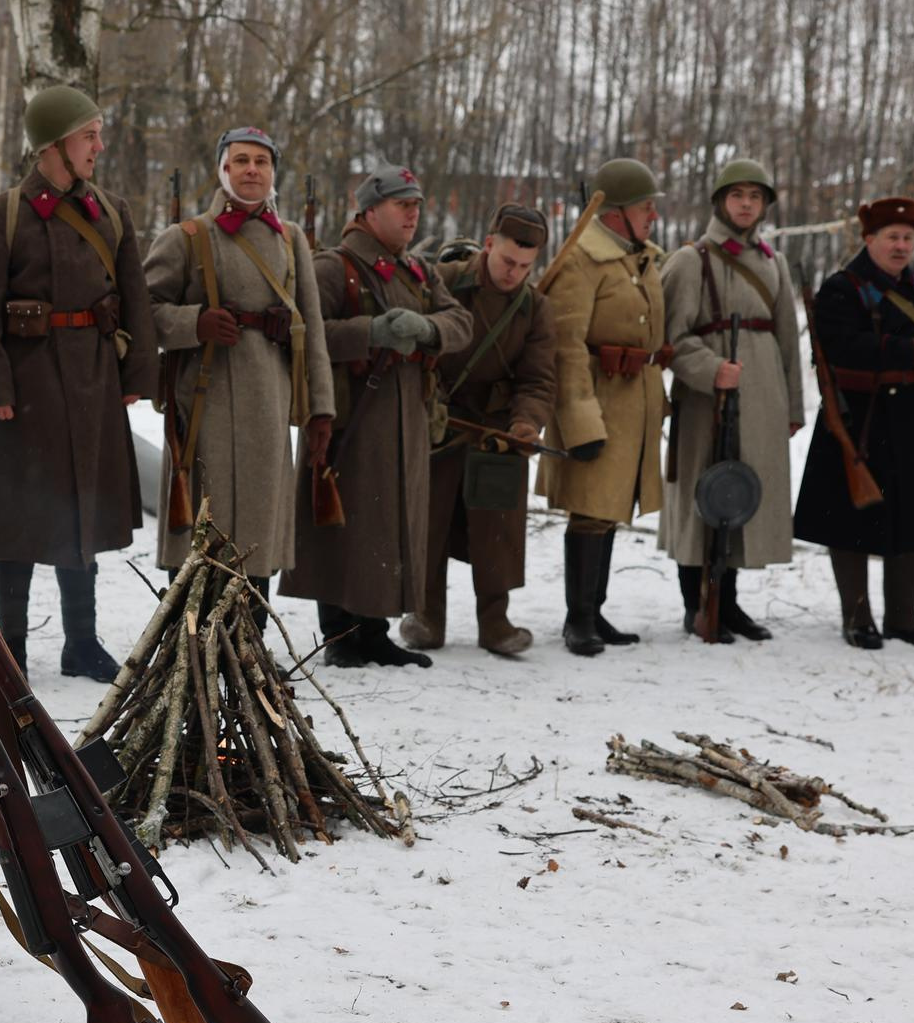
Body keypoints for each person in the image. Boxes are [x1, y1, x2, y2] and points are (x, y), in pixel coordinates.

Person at [0, 85, 158, 677]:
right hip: (24, 389)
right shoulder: (1, 215)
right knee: (16, 519)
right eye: (88, 136)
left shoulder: (112, 211)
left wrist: (134, 375)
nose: (99, 145)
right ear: (53, 145)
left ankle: (81, 643)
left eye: (97, 133)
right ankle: (9, 648)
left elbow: (135, 301)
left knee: (82, 513)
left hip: (93, 382)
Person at [284, 164, 474, 668]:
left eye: (416, 205)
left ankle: (373, 630)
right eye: (401, 205)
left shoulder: (418, 270)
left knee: (388, 525)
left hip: (404, 417)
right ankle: (342, 635)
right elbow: (306, 335)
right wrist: (371, 331)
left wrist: (428, 329)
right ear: (369, 211)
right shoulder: (333, 266)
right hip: (350, 415)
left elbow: (461, 322)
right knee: (345, 525)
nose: (413, 214)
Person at [142, 126, 334, 591]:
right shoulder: (187, 236)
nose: (252, 169)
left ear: (272, 173)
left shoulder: (290, 240)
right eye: (241, 160)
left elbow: (312, 328)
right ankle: (192, 643)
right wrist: (195, 323)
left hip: (270, 402)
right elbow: (145, 310)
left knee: (258, 530)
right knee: (203, 528)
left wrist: (322, 409)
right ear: (223, 169)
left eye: (261, 162)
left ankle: (249, 646)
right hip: (206, 403)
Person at [792, 197, 914, 648]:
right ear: (869, 240)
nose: (901, 245)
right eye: (892, 237)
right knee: (851, 518)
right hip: (858, 416)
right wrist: (907, 352)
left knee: (911, 518)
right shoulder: (842, 289)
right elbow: (840, 348)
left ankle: (903, 619)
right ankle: (858, 617)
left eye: (908, 237)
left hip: (908, 414)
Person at [658, 158, 804, 641]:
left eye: (755, 196)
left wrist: (793, 407)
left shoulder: (773, 262)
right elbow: (672, 339)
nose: (746, 204)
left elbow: (787, 340)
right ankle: (695, 604)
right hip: (707, 398)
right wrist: (710, 370)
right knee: (705, 493)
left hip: (763, 396)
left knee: (743, 497)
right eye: (738, 195)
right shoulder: (690, 260)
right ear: (721, 200)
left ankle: (731, 602)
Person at [405, 202, 558, 657]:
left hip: (497, 427)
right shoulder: (445, 282)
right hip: (439, 419)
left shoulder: (535, 308)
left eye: (526, 266)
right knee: (428, 522)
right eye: (508, 261)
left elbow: (539, 379)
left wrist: (526, 422)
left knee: (499, 526)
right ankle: (426, 617)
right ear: (488, 244)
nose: (514, 273)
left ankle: (496, 623)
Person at [538, 158, 669, 656]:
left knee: (609, 510)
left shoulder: (641, 257)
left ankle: (595, 610)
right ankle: (578, 619)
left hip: (633, 399)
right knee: (590, 512)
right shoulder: (581, 261)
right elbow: (566, 345)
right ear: (616, 214)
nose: (653, 216)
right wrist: (578, 419)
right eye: (645, 207)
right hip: (595, 398)